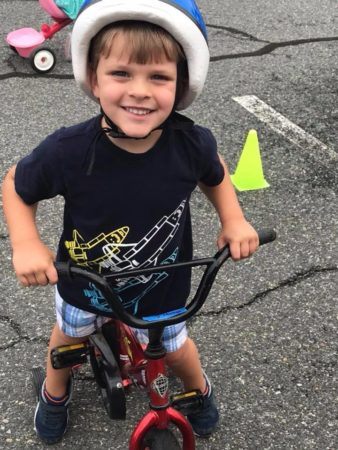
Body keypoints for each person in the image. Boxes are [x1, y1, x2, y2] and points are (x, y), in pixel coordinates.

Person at [2, 0, 259, 445]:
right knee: (66, 342)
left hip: (160, 285)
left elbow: (213, 171)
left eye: (158, 77)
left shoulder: (189, 143)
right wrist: (26, 243)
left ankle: (198, 391)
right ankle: (55, 393)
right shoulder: (68, 151)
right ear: (94, 79)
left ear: (181, 85)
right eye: (121, 74)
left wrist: (233, 219)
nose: (140, 90)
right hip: (86, 281)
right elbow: (16, 184)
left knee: (176, 350)